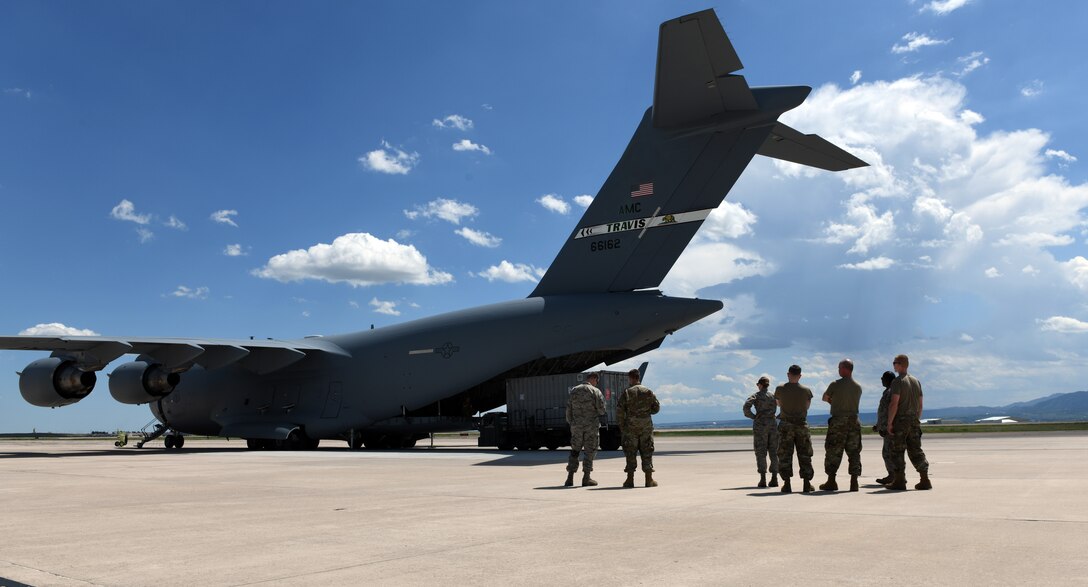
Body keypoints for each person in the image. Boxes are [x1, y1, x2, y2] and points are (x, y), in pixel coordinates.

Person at [886, 354, 932, 490]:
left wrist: (889, 423)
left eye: (894, 363)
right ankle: (924, 479)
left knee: (897, 451)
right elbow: (920, 405)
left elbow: (894, 403)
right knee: (916, 450)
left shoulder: (898, 381)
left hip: (901, 421)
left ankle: (899, 480)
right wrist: (916, 419)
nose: (893, 365)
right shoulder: (916, 381)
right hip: (914, 420)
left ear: (900, 364)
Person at [819, 359, 863, 492]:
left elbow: (825, 397)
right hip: (854, 421)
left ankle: (831, 481)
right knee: (854, 452)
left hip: (838, 421)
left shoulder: (835, 384)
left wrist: (833, 402)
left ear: (845, 369)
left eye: (839, 368)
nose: (838, 370)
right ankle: (854, 482)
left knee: (833, 451)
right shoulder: (858, 387)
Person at [774, 365, 815, 493]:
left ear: (788, 374)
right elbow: (807, 406)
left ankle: (787, 484)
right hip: (801, 425)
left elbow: (778, 403)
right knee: (805, 454)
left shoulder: (780, 389)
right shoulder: (806, 391)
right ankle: (807, 483)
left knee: (785, 454)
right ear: (800, 376)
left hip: (786, 425)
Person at [617, 368, 660, 488]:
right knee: (647, 451)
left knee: (630, 452)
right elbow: (656, 408)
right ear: (638, 377)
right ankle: (649, 479)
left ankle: (630, 480)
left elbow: (620, 411)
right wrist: (646, 413)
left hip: (631, 427)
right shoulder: (648, 391)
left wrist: (622, 426)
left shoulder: (627, 392)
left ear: (631, 378)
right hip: (646, 426)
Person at [565, 372, 606, 487]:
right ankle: (586, 478)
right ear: (594, 379)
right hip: (590, 427)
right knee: (589, 451)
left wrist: (572, 423)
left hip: (576, 427)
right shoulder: (595, 391)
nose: (596, 383)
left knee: (575, 451)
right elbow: (602, 410)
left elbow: (568, 409)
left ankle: (570, 478)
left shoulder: (574, 390)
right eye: (597, 381)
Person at [742, 376, 779, 488]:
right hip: (773, 424)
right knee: (774, 451)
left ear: (760, 385)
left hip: (761, 425)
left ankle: (763, 478)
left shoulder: (756, 396)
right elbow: (784, 405)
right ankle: (774, 478)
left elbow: (746, 407)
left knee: (761, 451)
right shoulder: (773, 396)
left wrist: (754, 417)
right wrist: (778, 416)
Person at [873, 371, 896, 484]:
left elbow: (890, 410)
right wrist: (878, 426)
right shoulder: (888, 392)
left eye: (883, 378)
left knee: (888, 453)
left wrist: (886, 426)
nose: (881, 380)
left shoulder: (891, 392)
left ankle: (893, 476)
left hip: (890, 428)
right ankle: (894, 475)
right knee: (889, 452)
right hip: (886, 427)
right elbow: (883, 412)